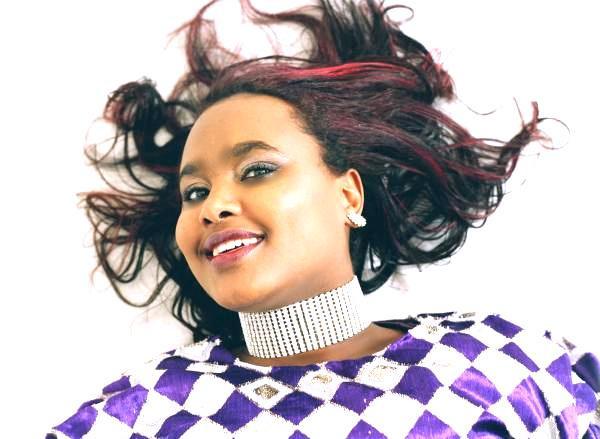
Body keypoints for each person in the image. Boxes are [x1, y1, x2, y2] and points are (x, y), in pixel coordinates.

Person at [47, 0, 599, 437]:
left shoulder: (504, 364)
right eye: (194, 193)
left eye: (257, 170)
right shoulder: (138, 416)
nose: (213, 206)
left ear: (348, 195)